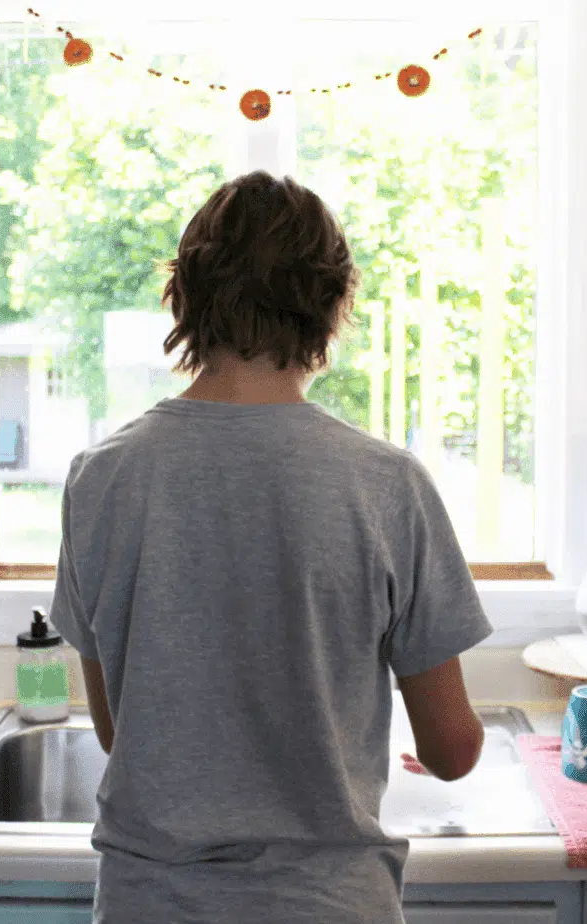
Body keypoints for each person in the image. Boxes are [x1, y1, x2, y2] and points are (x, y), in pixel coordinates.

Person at [50, 170, 492, 924]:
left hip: (150, 904)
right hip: (330, 905)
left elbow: (118, 729)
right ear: (332, 303)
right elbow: (450, 751)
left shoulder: (101, 478)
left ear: (185, 295)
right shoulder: (387, 484)